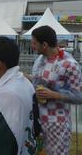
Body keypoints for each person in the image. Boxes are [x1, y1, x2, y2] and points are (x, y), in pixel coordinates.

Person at [30, 25, 82, 154]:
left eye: (34, 43)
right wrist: (25, 77)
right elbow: (40, 82)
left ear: (45, 45)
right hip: (38, 121)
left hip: (57, 124)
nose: (32, 46)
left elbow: (79, 96)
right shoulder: (39, 60)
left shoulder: (70, 64)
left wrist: (54, 94)